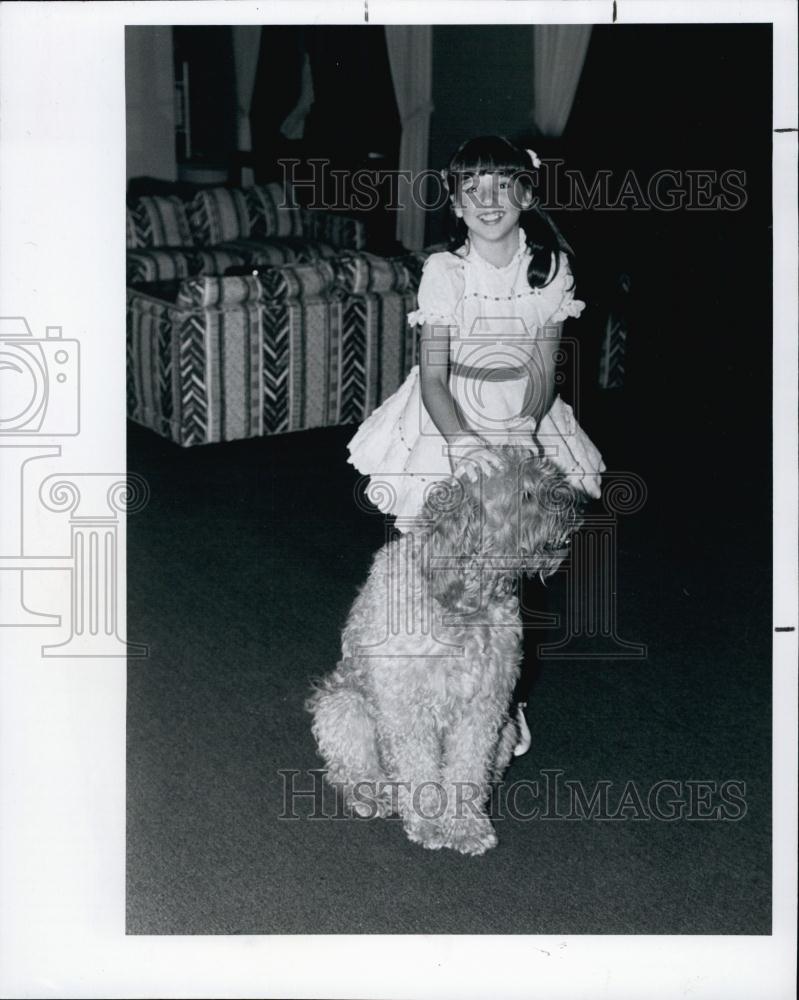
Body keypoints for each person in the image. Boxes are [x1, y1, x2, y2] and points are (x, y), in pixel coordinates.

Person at [347, 135, 605, 753]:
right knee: (431, 554)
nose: (489, 201)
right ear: (457, 206)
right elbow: (433, 376)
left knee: (507, 559)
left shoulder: (550, 267)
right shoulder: (445, 271)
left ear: (528, 191)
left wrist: (523, 432)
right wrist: (463, 442)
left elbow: (545, 369)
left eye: (504, 186)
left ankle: (500, 696)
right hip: (448, 415)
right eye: (472, 190)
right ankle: (414, 681)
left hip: (521, 412)